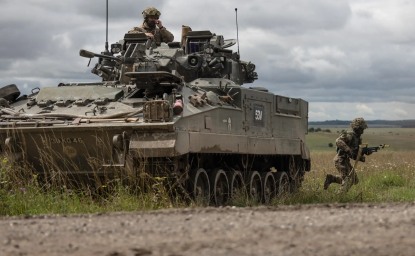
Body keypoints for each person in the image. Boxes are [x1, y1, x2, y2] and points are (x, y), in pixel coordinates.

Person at [324, 118, 368, 193]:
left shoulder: (357, 139)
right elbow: (338, 141)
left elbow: (354, 155)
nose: (362, 131)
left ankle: (331, 178)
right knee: (347, 180)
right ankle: (339, 198)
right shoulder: (349, 135)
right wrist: (347, 149)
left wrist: (362, 154)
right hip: (340, 160)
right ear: (356, 128)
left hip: (346, 161)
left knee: (354, 180)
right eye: (361, 129)